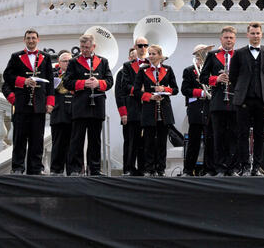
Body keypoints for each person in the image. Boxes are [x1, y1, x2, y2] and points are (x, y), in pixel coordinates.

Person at [2, 29, 55, 175]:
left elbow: (50, 81)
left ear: (38, 40)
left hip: (39, 104)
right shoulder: (16, 56)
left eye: (33, 38)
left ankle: (35, 168)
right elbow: (7, 76)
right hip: (21, 103)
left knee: (37, 139)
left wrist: (50, 102)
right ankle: (17, 168)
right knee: (19, 138)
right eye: (28, 38)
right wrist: (23, 81)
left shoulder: (45, 57)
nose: (31, 41)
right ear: (24, 40)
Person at [229, 22, 264, 176]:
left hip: (262, 100)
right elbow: (233, 76)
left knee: (260, 134)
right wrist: (242, 89)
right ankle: (244, 165)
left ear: (261, 34)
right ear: (247, 35)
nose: (255, 36)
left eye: (258, 33)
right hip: (243, 100)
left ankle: (256, 167)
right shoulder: (239, 53)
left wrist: (263, 87)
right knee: (242, 134)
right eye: (253, 33)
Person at [64, 33, 114, 176]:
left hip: (97, 105)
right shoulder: (73, 62)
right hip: (80, 106)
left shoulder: (103, 62)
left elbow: (110, 81)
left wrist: (99, 83)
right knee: (77, 139)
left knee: (95, 140)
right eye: (82, 47)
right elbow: (67, 82)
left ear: (93, 46)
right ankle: (75, 169)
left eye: (87, 47)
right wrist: (83, 83)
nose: (84, 50)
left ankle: (94, 169)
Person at [200, 26, 239, 176]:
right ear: (221, 39)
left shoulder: (240, 55)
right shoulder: (212, 55)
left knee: (233, 136)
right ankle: (220, 168)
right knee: (218, 136)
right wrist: (216, 79)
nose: (228, 40)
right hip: (218, 102)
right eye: (226, 37)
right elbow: (203, 77)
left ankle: (232, 168)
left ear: (235, 40)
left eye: (231, 38)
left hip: (235, 101)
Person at [135, 44, 179, 176]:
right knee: (148, 141)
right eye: (149, 54)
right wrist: (150, 96)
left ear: (160, 55)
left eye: (153, 54)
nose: (151, 56)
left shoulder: (168, 69)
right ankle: (149, 169)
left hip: (164, 110)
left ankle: (161, 169)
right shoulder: (142, 70)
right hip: (149, 110)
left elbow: (175, 89)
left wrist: (164, 89)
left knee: (161, 142)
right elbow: (136, 91)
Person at [182, 44, 215, 176]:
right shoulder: (189, 70)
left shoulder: (212, 69)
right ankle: (188, 170)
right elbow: (185, 90)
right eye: (204, 52)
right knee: (193, 141)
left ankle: (208, 169)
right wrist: (202, 93)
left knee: (210, 140)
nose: (206, 54)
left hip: (209, 107)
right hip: (196, 108)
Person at [116, 45, 146, 176]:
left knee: (143, 142)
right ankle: (128, 168)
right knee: (130, 142)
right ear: (130, 58)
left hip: (143, 110)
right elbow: (119, 94)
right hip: (130, 110)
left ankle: (143, 168)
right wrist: (123, 113)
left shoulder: (145, 70)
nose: (136, 58)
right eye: (133, 56)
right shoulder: (123, 71)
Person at [49, 51, 73, 175]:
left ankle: (72, 170)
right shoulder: (53, 75)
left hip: (73, 113)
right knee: (57, 143)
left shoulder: (76, 74)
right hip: (58, 112)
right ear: (59, 62)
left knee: (73, 145)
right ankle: (56, 170)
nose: (67, 63)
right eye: (65, 61)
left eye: (69, 61)